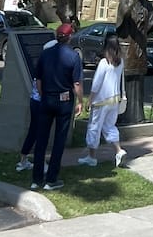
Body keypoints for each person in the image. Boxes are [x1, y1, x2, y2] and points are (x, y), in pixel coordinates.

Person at [32, 22, 83, 191]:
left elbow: (38, 79)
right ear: (69, 37)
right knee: (59, 140)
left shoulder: (45, 54)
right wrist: (80, 101)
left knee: (41, 139)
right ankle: (51, 179)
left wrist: (42, 95)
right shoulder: (73, 56)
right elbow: (76, 83)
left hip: (47, 98)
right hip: (64, 101)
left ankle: (36, 178)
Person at [78, 33, 127, 168]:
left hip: (101, 100)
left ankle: (91, 157)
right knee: (110, 126)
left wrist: (90, 99)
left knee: (94, 127)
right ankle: (119, 151)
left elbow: (96, 83)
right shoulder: (120, 62)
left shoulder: (104, 63)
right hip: (114, 100)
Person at [15, 36, 57, 172]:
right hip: (42, 103)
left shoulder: (41, 63)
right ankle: (41, 162)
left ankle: (23, 159)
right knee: (41, 134)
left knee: (33, 131)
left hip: (35, 101)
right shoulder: (49, 66)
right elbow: (42, 86)